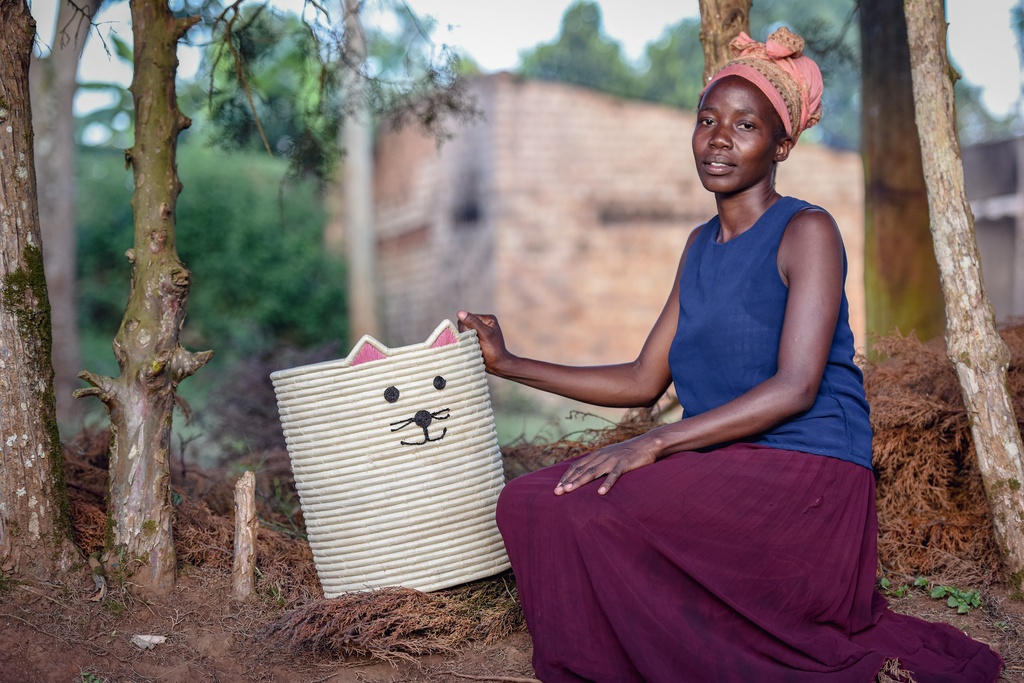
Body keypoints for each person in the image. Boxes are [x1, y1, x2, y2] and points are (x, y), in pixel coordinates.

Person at [456, 26, 1003, 683]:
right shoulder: (697, 246)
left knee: (588, 503)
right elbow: (640, 377)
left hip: (808, 475)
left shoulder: (808, 231)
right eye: (707, 120)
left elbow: (797, 386)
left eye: (746, 125)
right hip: (723, 466)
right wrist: (508, 361)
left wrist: (656, 443)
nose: (719, 138)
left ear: (782, 144)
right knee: (529, 499)